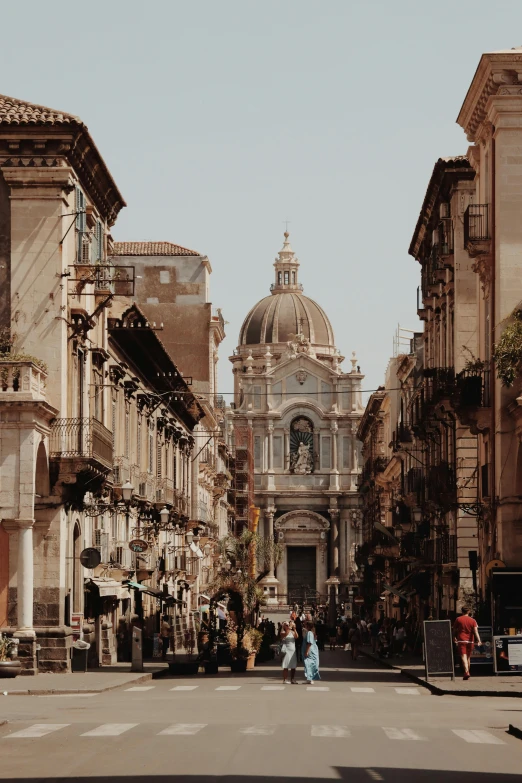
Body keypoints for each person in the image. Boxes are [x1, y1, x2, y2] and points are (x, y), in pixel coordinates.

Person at [453, 606, 482, 680]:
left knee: (463, 657)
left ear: (462, 611)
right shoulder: (473, 620)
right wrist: (479, 640)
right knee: (468, 657)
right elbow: (476, 631)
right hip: (470, 641)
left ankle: (466, 672)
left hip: (461, 640)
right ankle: (467, 673)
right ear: (468, 612)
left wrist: (454, 637)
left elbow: (454, 630)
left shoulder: (458, 619)